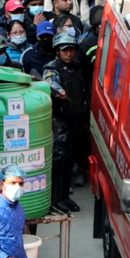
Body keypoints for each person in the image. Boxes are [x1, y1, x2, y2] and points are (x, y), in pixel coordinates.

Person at [43, 32, 87, 213]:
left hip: (75, 119)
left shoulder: (77, 66)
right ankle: (55, 200)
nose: (68, 53)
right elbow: (49, 82)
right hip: (59, 121)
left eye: (71, 50)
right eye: (64, 50)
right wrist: (59, 91)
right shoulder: (52, 68)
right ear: (57, 51)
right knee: (59, 161)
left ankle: (64, 197)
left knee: (70, 158)